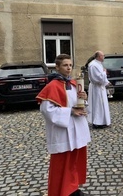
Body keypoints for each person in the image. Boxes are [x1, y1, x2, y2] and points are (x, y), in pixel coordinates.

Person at [36, 54, 91, 196]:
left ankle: (73, 189)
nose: (69, 68)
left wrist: (84, 100)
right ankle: (60, 191)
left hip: (76, 130)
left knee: (74, 161)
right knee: (62, 164)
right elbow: (46, 110)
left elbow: (81, 106)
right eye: (65, 65)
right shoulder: (52, 87)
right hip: (63, 132)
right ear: (57, 67)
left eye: (70, 65)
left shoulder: (74, 84)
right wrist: (70, 112)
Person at [87, 50, 111, 129]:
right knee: (98, 105)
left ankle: (102, 121)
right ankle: (97, 122)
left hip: (100, 87)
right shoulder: (93, 65)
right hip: (96, 88)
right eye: (102, 55)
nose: (103, 57)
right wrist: (104, 73)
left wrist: (106, 82)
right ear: (98, 56)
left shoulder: (98, 64)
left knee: (102, 104)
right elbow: (98, 77)